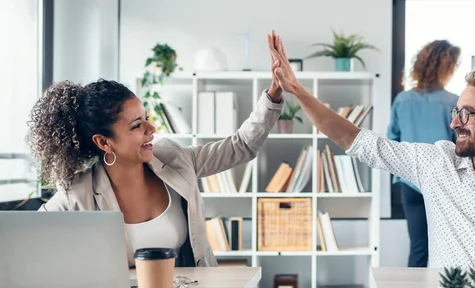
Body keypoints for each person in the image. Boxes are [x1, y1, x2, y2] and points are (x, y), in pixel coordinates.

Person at [267, 30, 475, 268]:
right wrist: (296, 89)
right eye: (455, 112)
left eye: (467, 114)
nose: (456, 123)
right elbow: (356, 139)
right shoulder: (435, 163)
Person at [28, 33, 286, 268]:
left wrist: (275, 92)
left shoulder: (175, 159)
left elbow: (241, 146)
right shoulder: (76, 195)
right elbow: (29, 240)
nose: (152, 129)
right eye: (136, 125)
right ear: (104, 142)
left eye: (147, 117)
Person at [388, 40, 461, 267]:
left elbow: (393, 140)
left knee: (418, 247)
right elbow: (460, 145)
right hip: (445, 181)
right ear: (448, 67)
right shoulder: (453, 102)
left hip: (409, 182)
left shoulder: (403, 100)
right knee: (450, 245)